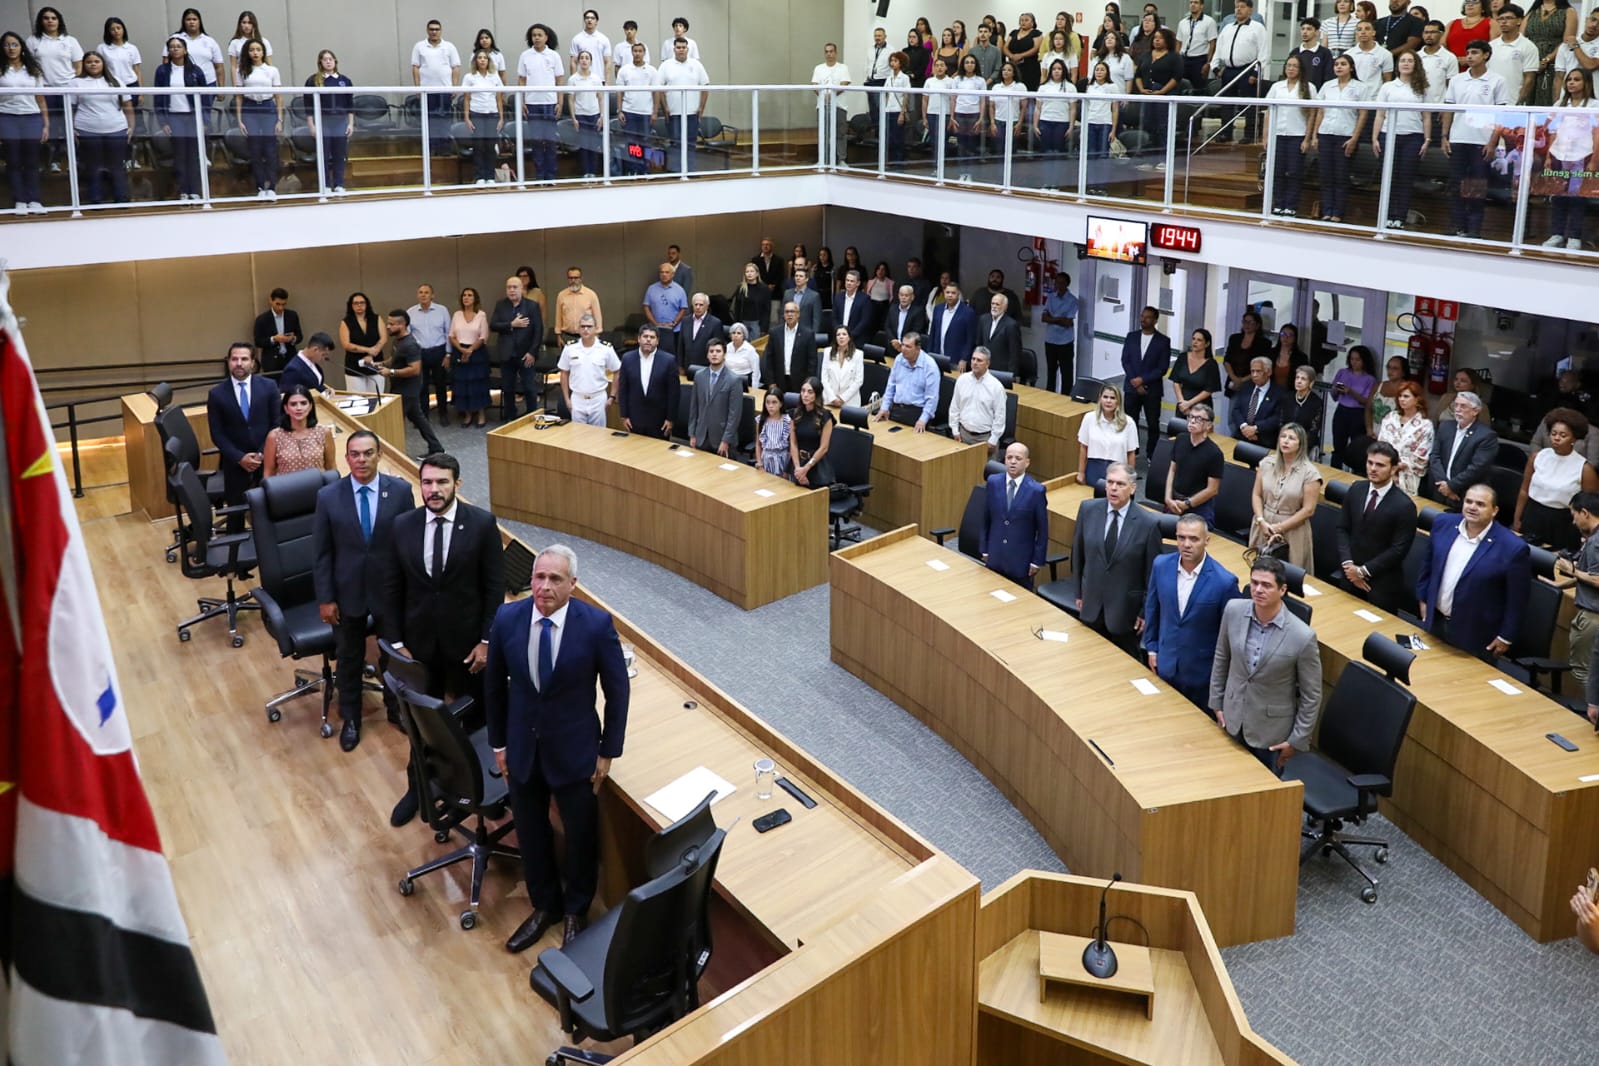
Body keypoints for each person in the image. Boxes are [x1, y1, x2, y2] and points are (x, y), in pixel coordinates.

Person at [487, 544, 628, 954]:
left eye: (555, 579)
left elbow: (618, 691)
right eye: (538, 577)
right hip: (522, 751)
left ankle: (575, 911)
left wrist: (607, 751)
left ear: (573, 585)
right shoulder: (507, 617)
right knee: (531, 834)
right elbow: (494, 687)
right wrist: (499, 743)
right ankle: (545, 905)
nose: (544, 587)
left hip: (576, 752)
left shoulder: (596, 625)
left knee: (581, 837)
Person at [381, 453, 504, 826]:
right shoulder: (402, 525)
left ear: (457, 484)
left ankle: (481, 788)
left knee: (478, 719)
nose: (433, 490)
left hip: (468, 647)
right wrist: (397, 642)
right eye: (427, 482)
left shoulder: (482, 524)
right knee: (421, 725)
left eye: (442, 482)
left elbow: (494, 588)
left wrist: (486, 640)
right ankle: (419, 786)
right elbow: (391, 587)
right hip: (419, 649)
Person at [313, 430, 415, 752]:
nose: (361, 460)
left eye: (368, 453)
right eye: (355, 454)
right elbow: (322, 553)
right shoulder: (328, 496)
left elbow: (407, 547)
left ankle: (396, 710)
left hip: (389, 592)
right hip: (347, 594)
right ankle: (352, 718)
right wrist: (326, 598)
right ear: (346, 458)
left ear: (379, 454)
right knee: (349, 659)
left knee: (393, 657)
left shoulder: (400, 492)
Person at [1210, 556, 1324, 771]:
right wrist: (1217, 703)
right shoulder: (1233, 610)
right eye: (1254, 583)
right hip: (1231, 720)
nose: (1258, 590)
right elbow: (1221, 657)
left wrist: (1296, 740)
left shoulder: (1302, 636)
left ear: (1282, 590)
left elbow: (1312, 696)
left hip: (1270, 734)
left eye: (1266, 585)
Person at [1417, 483, 1530, 658]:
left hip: (1476, 633)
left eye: (1480, 504)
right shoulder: (1443, 523)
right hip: (1435, 622)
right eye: (1469, 501)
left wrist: (1506, 637)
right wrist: (1423, 599)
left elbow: (1517, 599)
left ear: (1494, 510)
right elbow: (1428, 566)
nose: (1472, 507)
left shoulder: (1513, 548)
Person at [1144, 514, 1244, 708]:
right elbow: (1153, 609)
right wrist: (1152, 647)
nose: (1186, 544)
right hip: (1165, 665)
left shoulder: (1224, 582)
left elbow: (1232, 635)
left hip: (1201, 677)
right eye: (1181, 537)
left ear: (1207, 540)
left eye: (1194, 539)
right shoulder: (1161, 565)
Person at [1075, 462, 1163, 653]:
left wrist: (1145, 612)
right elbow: (1078, 555)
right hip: (1091, 605)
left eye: (1120, 484)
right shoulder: (1087, 510)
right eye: (1110, 482)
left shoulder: (1148, 524)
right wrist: (1079, 593)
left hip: (1125, 614)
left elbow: (1152, 576)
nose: (1114, 488)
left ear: (1133, 488)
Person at [1338, 440, 1419, 612]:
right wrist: (1349, 566)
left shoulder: (1404, 506)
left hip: (1381, 583)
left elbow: (1398, 550)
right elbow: (1342, 528)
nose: (1373, 469)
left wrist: (1363, 572)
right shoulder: (1356, 489)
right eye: (1370, 463)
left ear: (1394, 468)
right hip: (1349, 575)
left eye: (1380, 465)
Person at [1442, 41, 1511, 238]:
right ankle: (1457, 225)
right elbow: (1448, 110)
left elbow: (1501, 114)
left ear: (1486, 55)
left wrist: (1493, 142)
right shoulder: (1457, 80)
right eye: (1468, 52)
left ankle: (1474, 229)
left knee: (1477, 186)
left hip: (1482, 142)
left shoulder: (1497, 81)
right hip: (1458, 138)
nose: (1470, 56)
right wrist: (1445, 136)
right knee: (1456, 185)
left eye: (1474, 52)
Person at [206, 343, 281, 519]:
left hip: (267, 458)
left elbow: (277, 424)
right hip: (235, 463)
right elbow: (217, 434)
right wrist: (240, 458)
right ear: (228, 362)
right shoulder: (216, 394)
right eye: (234, 359)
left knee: (271, 511)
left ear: (253, 363)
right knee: (236, 514)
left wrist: (262, 453)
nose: (239, 363)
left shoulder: (269, 386)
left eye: (244, 359)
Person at [1514, 408, 1599, 548]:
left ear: (1574, 438)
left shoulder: (1584, 468)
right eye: (1553, 434)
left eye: (1563, 435)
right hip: (1532, 514)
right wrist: (1517, 518)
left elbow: (1591, 506)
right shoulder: (1538, 457)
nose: (1556, 438)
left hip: (1563, 522)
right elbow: (1524, 490)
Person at [1537, 66, 1599, 251]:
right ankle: (1556, 233)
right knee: (1558, 196)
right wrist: (1548, 155)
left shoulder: (1594, 105)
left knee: (1577, 197)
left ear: (1586, 82)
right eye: (1569, 79)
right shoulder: (1559, 105)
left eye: (1577, 79)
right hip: (1559, 155)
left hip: (1582, 155)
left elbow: (1597, 134)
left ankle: (1574, 235)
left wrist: (1595, 160)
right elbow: (1553, 132)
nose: (1571, 82)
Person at [368, 309, 443, 456]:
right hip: (399, 386)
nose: (388, 326)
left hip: (408, 389)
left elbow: (415, 369)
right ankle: (436, 447)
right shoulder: (398, 341)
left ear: (402, 325)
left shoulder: (411, 344)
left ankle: (395, 454)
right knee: (418, 418)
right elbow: (395, 360)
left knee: (394, 422)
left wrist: (391, 372)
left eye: (391, 324)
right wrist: (380, 364)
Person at [1250, 422, 1323, 570]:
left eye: (1291, 438)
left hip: (1292, 529)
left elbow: (1308, 510)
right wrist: (1260, 520)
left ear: (1301, 444)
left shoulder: (1310, 473)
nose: (1286, 441)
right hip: (1263, 524)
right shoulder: (1266, 463)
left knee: (1288, 574)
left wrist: (1280, 528)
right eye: (1283, 436)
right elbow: (1256, 495)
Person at [1372, 50, 1432, 229]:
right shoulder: (1388, 87)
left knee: (1405, 178)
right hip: (1388, 136)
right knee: (1389, 178)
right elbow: (1380, 115)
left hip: (1412, 137)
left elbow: (1427, 116)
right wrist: (1375, 137)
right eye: (1402, 61)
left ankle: (1399, 216)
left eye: (1410, 61)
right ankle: (1386, 215)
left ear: (1416, 64)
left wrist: (1427, 139)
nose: (1406, 63)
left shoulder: (1423, 87)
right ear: (1397, 65)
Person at [979, 441, 1050, 586]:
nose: (1013, 462)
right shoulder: (993, 482)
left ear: (1027, 462)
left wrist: (1036, 561)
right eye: (1009, 457)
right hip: (994, 556)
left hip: (1020, 562)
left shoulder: (1036, 491)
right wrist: (984, 549)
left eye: (1018, 459)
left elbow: (1042, 530)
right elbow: (986, 519)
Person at [69, 50, 132, 207]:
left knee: (117, 165)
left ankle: (121, 198)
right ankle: (96, 199)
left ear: (103, 63)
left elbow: (128, 105)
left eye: (96, 61)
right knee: (93, 166)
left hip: (116, 128)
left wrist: (131, 126)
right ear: (84, 64)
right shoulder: (76, 82)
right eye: (89, 62)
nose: (93, 64)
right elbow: (69, 107)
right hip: (87, 129)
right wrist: (70, 128)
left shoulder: (115, 81)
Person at [1313, 55, 1369, 224]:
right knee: (1326, 176)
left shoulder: (1360, 87)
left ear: (1351, 68)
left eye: (1343, 64)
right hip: (1326, 134)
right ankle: (1327, 210)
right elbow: (1320, 112)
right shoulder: (1327, 86)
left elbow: (1363, 114)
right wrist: (1315, 135)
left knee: (1341, 176)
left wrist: (1354, 138)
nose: (1339, 67)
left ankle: (1338, 211)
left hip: (1345, 136)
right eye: (1336, 64)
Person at [153, 35, 205, 204]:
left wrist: (204, 119)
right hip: (174, 117)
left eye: (178, 46)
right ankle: (183, 190)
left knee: (194, 155)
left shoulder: (195, 71)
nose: (175, 49)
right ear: (168, 51)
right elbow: (158, 99)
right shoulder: (162, 71)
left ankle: (195, 190)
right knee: (180, 155)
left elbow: (205, 97)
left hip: (192, 116)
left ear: (185, 50)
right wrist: (163, 122)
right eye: (172, 47)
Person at [27, 7, 80, 173]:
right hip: (46, 90)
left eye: (53, 18)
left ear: (59, 21)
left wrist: (73, 84)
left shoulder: (70, 41)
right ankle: (53, 160)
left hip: (68, 91)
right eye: (46, 18)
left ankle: (73, 159)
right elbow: (28, 65)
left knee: (70, 126)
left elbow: (78, 65)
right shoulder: (33, 41)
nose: (50, 21)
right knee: (50, 126)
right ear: (41, 21)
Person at [1557, 492, 1599, 692]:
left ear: (1585, 513)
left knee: (1583, 671)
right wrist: (1558, 585)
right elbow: (1589, 574)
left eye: (1574, 515)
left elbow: (1597, 579)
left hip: (1593, 617)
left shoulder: (1596, 542)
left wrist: (1571, 570)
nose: (1573, 522)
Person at [1265, 54, 1316, 217]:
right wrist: (1266, 136)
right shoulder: (1277, 87)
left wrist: (1307, 138)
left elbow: (1312, 115)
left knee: (1294, 172)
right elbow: (1268, 113)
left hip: (1297, 135)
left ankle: (1291, 205)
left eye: (1294, 66)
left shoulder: (1309, 87)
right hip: (1278, 134)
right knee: (1277, 171)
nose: (1291, 69)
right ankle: (1278, 203)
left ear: (1301, 69)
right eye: (1288, 65)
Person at [1212, 0, 1270, 142]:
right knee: (1226, 103)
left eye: (1242, 7)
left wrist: (1257, 72)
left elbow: (1264, 52)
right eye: (1236, 7)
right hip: (1229, 70)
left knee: (1249, 104)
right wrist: (1215, 67)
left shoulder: (1257, 28)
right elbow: (1218, 49)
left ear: (1250, 10)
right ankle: (1226, 132)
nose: (1238, 10)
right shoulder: (1227, 28)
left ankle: (1249, 134)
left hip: (1247, 70)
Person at [1428, 391, 1500, 506]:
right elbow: (1434, 455)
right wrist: (1443, 485)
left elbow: (1477, 468)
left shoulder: (1486, 436)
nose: (1457, 409)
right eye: (1455, 405)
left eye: (1463, 406)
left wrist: (1451, 486)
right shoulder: (1445, 426)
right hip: (1439, 490)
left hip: (1465, 495)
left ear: (1475, 411)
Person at [233, 39, 281, 200]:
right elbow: (239, 97)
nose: (255, 52)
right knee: (255, 149)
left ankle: (272, 186)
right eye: (252, 49)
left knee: (270, 149)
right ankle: (260, 186)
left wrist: (280, 119)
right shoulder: (242, 71)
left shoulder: (272, 70)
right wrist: (240, 119)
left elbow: (278, 97)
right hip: (250, 108)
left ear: (263, 52)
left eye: (258, 49)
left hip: (268, 107)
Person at [517, 24, 564, 182]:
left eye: (539, 35)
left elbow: (559, 80)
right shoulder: (525, 55)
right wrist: (523, 101)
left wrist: (560, 101)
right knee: (536, 141)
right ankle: (539, 177)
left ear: (546, 37)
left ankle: (551, 176)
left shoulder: (553, 56)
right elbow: (522, 80)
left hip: (550, 103)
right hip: (532, 103)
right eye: (533, 35)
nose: (536, 38)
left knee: (550, 141)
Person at [304, 49, 354, 194]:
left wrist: (350, 123)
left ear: (335, 61)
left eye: (330, 59)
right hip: (322, 122)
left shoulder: (344, 81)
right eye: (325, 59)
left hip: (339, 122)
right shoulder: (313, 80)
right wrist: (311, 125)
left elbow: (350, 104)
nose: (328, 61)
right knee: (323, 154)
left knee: (339, 154)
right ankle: (325, 185)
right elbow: (308, 106)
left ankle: (339, 184)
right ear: (320, 62)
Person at [1121, 305, 1172, 445]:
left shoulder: (1163, 341)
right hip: (1131, 388)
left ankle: (1152, 454)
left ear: (1155, 320)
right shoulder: (1131, 336)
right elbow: (1125, 360)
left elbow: (1162, 368)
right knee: (1130, 421)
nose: (1143, 319)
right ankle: (1133, 449)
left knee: (1153, 424)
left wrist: (1142, 380)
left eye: (1148, 317)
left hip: (1152, 390)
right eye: (1142, 316)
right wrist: (1135, 381)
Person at [558, 315, 621, 427]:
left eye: (589, 326)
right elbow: (564, 373)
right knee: (577, 437)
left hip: (598, 399)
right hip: (577, 398)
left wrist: (612, 396)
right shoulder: (569, 348)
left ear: (596, 328)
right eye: (583, 326)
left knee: (599, 437)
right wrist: (567, 399)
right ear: (578, 329)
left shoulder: (606, 349)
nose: (586, 329)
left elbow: (618, 371)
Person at [1166, 403, 1225, 525]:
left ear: (1209, 425)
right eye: (1190, 417)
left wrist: (1187, 504)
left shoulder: (1214, 453)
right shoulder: (1181, 439)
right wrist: (1168, 498)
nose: (1192, 421)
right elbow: (1172, 470)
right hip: (1176, 501)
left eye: (1198, 419)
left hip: (1199, 507)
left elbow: (1212, 489)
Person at [616, 326, 678, 439]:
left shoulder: (669, 360)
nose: (648, 340)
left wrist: (670, 419)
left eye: (652, 337)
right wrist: (624, 415)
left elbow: (673, 393)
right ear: (639, 339)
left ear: (657, 341)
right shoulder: (627, 359)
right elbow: (623, 389)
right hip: (634, 420)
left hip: (660, 422)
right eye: (645, 336)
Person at [656, 36, 709, 165]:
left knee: (691, 142)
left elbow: (706, 86)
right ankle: (675, 170)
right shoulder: (665, 65)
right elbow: (658, 88)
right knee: (676, 142)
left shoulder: (696, 65)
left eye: (683, 48)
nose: (681, 50)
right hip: (673, 113)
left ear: (688, 49)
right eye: (678, 48)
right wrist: (665, 107)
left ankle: (690, 170)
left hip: (692, 112)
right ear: (674, 49)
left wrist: (701, 107)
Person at [262, 385, 334, 479]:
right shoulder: (274, 436)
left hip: (318, 490)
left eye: (303, 403)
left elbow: (331, 468)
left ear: (310, 406)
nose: (299, 408)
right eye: (293, 404)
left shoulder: (324, 432)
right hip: (286, 490)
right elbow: (269, 473)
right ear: (286, 408)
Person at [1078, 384, 1142, 487]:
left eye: (1112, 398)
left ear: (1118, 401)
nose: (1108, 401)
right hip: (1094, 469)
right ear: (1100, 399)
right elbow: (1083, 447)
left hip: (1118, 471)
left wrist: (1131, 480)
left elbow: (1131, 454)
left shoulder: (1128, 423)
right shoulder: (1089, 418)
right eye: (1105, 397)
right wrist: (1081, 472)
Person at [1377, 379, 1434, 493]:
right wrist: (1388, 465)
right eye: (1400, 396)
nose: (1402, 399)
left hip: (1407, 478)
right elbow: (1380, 444)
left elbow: (1422, 457)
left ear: (1417, 399)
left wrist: (1398, 466)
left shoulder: (1425, 425)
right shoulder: (1390, 417)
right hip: (1384, 471)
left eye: (1406, 396)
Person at [875, 332, 941, 431]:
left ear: (918, 348)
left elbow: (932, 398)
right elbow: (891, 386)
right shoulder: (899, 359)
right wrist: (884, 407)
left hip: (916, 413)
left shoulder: (930, 366)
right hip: (896, 409)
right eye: (903, 345)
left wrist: (923, 419)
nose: (903, 349)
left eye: (908, 347)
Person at [948, 347, 1008, 454]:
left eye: (979, 360)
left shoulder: (996, 387)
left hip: (985, 439)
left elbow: (1000, 417)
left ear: (987, 364)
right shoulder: (962, 380)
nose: (975, 363)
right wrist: (955, 430)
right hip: (963, 435)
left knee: (984, 470)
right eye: (973, 359)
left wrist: (993, 440)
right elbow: (955, 407)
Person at [687, 338, 741, 456]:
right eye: (711, 351)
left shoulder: (734, 380)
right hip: (701, 436)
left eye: (718, 351)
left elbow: (734, 415)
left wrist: (726, 440)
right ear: (707, 355)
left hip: (722, 439)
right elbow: (694, 407)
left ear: (724, 354)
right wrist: (692, 434)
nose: (714, 354)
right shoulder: (699, 376)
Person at [446, 287, 490, 426]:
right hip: (459, 351)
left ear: (475, 299)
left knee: (478, 385)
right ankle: (467, 415)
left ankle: (481, 415)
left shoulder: (481, 315)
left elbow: (483, 337)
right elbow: (452, 335)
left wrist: (469, 350)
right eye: (464, 295)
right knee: (462, 385)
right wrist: (461, 350)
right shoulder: (457, 315)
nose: (466, 297)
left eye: (470, 295)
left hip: (477, 353)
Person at [406, 284, 451, 421]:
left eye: (426, 292)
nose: (423, 295)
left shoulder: (442, 310)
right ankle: (423, 416)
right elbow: (408, 335)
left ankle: (443, 414)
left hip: (439, 352)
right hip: (420, 354)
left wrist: (448, 354)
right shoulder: (410, 312)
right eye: (420, 292)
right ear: (417, 295)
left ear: (432, 295)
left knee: (441, 385)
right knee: (421, 386)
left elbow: (449, 332)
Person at [461, 49, 505, 185]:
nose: (482, 60)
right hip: (476, 114)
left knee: (490, 146)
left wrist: (501, 118)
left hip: (492, 114)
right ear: (475, 61)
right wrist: (467, 118)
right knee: (479, 146)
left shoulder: (494, 76)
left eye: (484, 58)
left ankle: (490, 176)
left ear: (488, 61)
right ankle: (480, 176)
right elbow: (467, 99)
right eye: (479, 58)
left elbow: (498, 99)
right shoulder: (469, 77)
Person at [1330, 346, 1378, 469]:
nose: (1354, 362)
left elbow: (1367, 401)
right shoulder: (1343, 372)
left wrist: (1351, 391)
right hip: (1342, 410)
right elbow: (1333, 395)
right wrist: (1337, 389)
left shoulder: (1369, 379)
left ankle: (1354, 473)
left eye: (1358, 360)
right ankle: (1334, 471)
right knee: (1338, 445)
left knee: (1357, 448)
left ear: (1364, 361)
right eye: (1352, 359)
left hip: (1358, 414)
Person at [411, 19, 460, 126]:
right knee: (429, 119)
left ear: (441, 31)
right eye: (431, 29)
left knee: (445, 119)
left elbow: (455, 68)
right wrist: (417, 88)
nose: (434, 32)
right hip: (426, 91)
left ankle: (444, 142)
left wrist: (454, 87)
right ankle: (430, 143)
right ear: (427, 31)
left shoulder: (449, 46)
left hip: (445, 90)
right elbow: (415, 67)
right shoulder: (419, 46)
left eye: (437, 29)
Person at [1489, 3, 1542, 102]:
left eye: (1508, 18)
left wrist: (1520, 101)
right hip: (1490, 101)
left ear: (1519, 21)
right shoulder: (1491, 46)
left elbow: (1529, 78)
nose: (1503, 22)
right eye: (1500, 19)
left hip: (1513, 101)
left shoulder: (1528, 46)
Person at [764, 301, 818, 396]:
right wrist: (771, 382)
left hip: (800, 383)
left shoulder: (808, 334)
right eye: (787, 312)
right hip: (779, 381)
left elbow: (812, 362)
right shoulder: (775, 332)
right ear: (784, 315)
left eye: (792, 311)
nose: (789, 314)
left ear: (798, 314)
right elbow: (769, 359)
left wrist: (808, 384)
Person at [790, 378, 836, 488]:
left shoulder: (825, 417)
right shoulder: (795, 414)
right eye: (803, 391)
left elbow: (824, 447)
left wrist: (806, 468)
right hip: (798, 464)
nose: (805, 395)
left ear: (817, 394)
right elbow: (793, 443)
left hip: (816, 466)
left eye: (810, 392)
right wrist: (797, 468)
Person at [1169, 328, 1222, 423]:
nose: (1195, 342)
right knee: (1179, 434)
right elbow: (1176, 381)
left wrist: (1189, 403)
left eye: (1199, 340)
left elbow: (1209, 390)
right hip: (1182, 404)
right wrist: (1182, 403)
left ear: (1207, 344)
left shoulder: (1211, 364)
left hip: (1201, 407)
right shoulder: (1182, 357)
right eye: (1193, 339)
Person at [1229, 357, 1287, 444]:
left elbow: (1277, 418)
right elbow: (1236, 410)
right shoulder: (1246, 387)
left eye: (1258, 371)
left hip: (1264, 440)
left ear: (1269, 372)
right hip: (1241, 436)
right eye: (1252, 371)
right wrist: (1244, 427)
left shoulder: (1279, 393)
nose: (1254, 375)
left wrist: (1255, 429)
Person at [811, 42, 852, 157]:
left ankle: (841, 159)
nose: (829, 54)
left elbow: (844, 83)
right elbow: (814, 84)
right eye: (826, 52)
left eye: (831, 51)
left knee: (840, 133)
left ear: (836, 53)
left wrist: (832, 95)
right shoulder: (818, 68)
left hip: (839, 106)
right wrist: (823, 96)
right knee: (823, 134)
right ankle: (823, 159)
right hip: (822, 105)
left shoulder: (843, 67)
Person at [1222, 309, 1272, 399]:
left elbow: (1263, 365)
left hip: (1253, 383)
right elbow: (1227, 360)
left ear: (1257, 325)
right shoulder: (1234, 338)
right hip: (1233, 383)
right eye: (1245, 322)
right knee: (1233, 411)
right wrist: (1234, 378)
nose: (1247, 325)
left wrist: (1242, 380)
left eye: (1250, 322)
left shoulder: (1264, 343)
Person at [928, 282, 978, 371]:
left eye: (953, 293)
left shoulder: (968, 312)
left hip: (956, 360)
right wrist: (929, 354)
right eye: (947, 292)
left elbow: (970, 339)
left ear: (958, 294)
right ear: (944, 292)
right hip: (937, 356)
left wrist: (964, 359)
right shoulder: (938, 309)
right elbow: (933, 333)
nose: (950, 295)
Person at [642, 262, 688, 357]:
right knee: (654, 356)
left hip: (674, 330)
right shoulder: (651, 289)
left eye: (667, 272)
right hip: (655, 329)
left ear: (673, 274)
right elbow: (646, 307)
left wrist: (674, 323)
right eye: (661, 272)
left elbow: (683, 309)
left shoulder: (680, 290)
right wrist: (655, 324)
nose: (664, 275)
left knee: (672, 356)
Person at [554, 267, 603, 347]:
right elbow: (558, 317)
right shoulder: (561, 295)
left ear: (581, 279)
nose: (573, 281)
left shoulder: (591, 294)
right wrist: (558, 335)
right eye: (570, 278)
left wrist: (596, 335)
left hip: (587, 336)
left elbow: (597, 317)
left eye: (576, 278)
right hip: (567, 336)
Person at [976, 292, 1023, 376]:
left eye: (997, 304)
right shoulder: (983, 319)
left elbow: (1015, 352)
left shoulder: (1011, 325)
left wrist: (1012, 375)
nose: (994, 306)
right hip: (983, 369)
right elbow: (979, 344)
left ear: (1005, 307)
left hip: (1002, 372)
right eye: (992, 303)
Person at [176, 8, 224, 91]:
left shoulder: (210, 41)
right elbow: (166, 63)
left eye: (194, 19)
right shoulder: (176, 40)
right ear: (184, 22)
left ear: (199, 22)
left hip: (208, 83)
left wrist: (221, 88)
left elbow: (219, 67)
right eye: (188, 19)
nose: (192, 22)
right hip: (183, 83)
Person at [1177, 0, 1220, 87]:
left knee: (1198, 88)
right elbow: (1178, 42)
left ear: (1201, 6)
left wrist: (1208, 63)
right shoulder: (1183, 22)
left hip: (1199, 60)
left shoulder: (1209, 22)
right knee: (1182, 86)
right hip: (1184, 59)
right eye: (1191, 2)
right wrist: (1177, 60)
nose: (1193, 4)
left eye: (1196, 2)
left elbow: (1213, 44)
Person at [821, 326, 864, 409]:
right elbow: (824, 378)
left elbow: (859, 381)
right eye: (838, 335)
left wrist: (842, 398)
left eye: (844, 334)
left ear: (849, 338)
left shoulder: (858, 354)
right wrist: (833, 398)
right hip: (829, 400)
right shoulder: (827, 352)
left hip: (850, 402)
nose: (841, 337)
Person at [279, 332, 334, 396]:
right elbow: (289, 395)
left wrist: (326, 390)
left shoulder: (313, 363)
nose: (324, 359)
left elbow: (316, 385)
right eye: (323, 355)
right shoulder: (292, 369)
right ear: (315, 350)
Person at [680, 292, 723, 372]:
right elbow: (680, 345)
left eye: (701, 305)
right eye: (696, 305)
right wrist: (680, 366)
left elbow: (717, 348)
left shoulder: (715, 323)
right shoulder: (685, 321)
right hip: (687, 367)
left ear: (707, 306)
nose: (698, 307)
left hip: (705, 368)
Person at [755, 389, 793, 477]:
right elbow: (758, 444)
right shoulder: (761, 420)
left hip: (783, 461)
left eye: (774, 402)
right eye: (767, 402)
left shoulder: (787, 421)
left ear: (781, 404)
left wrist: (787, 469)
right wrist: (760, 464)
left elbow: (792, 447)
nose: (770, 406)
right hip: (765, 461)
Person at [225, 11, 271, 85]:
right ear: (240, 24)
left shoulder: (264, 41)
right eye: (244, 22)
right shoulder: (235, 43)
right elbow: (233, 66)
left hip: (262, 79)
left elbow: (268, 63)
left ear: (254, 24)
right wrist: (235, 86)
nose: (247, 26)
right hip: (243, 78)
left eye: (250, 23)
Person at [1285, 365, 1325, 447]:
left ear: (1311, 382)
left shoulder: (1316, 402)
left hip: (1304, 444)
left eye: (1303, 379)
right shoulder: (1287, 397)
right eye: (1297, 378)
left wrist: (1298, 443)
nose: (1299, 381)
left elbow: (1313, 430)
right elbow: (1280, 422)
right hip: (1285, 440)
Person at [570, 9, 612, 83]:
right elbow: (573, 62)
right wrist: (574, 81)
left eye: (592, 18)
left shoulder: (604, 39)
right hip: (581, 80)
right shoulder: (577, 39)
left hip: (600, 80)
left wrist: (607, 83)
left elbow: (608, 62)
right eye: (587, 18)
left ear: (596, 21)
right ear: (584, 20)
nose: (589, 20)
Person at [886, 284, 930, 355]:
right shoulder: (893, 308)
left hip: (909, 349)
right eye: (901, 295)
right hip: (892, 346)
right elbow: (887, 326)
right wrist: (893, 340)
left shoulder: (918, 312)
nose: (903, 298)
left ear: (912, 297)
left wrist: (901, 343)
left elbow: (916, 331)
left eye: (906, 295)